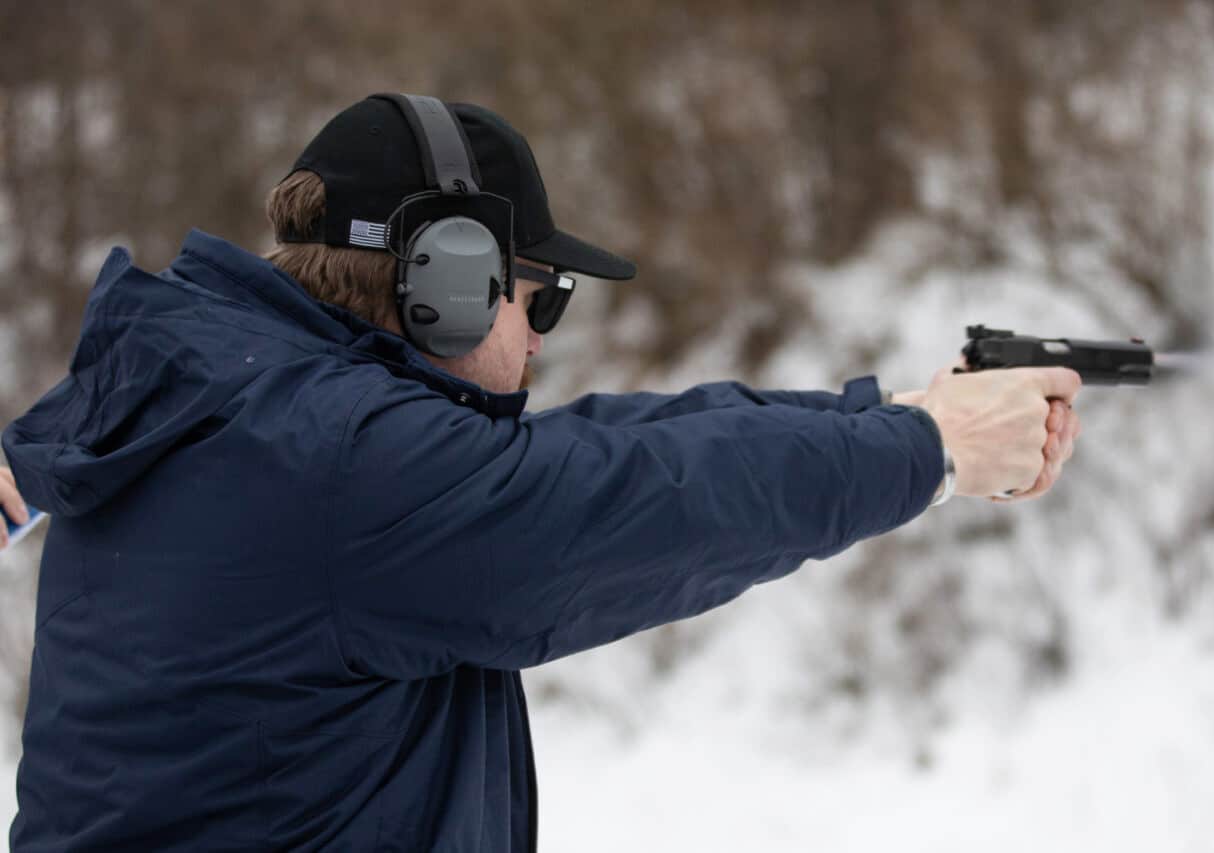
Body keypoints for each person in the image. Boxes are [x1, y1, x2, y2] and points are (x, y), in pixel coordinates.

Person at [1, 94, 1080, 852]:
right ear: (445, 281)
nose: (543, 335)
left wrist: (891, 414)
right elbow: (644, 493)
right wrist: (928, 449)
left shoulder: (215, 401)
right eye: (538, 294)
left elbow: (616, 446)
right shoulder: (339, 468)